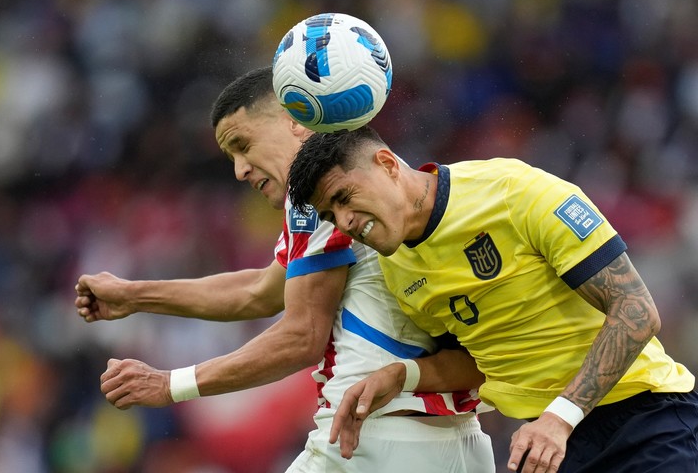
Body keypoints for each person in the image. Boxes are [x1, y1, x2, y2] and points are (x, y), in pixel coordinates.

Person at [74, 67, 495, 472]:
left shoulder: (324, 192)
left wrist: (171, 384)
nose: (239, 169)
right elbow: (261, 290)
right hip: (447, 437)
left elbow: (302, 335)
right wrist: (135, 296)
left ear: (294, 120)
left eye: (242, 145)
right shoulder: (361, 177)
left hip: (377, 439)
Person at [287, 126, 698, 473]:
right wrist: (401, 376)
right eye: (330, 216)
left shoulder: (512, 192)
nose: (345, 222)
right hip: (545, 447)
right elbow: (479, 363)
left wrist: (561, 417)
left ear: (388, 165)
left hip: (643, 420)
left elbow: (636, 312)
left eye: (343, 198)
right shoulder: (396, 269)